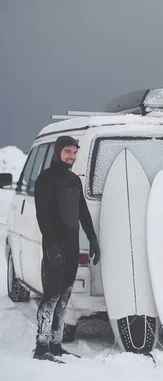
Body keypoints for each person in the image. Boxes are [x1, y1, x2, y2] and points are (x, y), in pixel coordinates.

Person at [32, 135, 101, 362]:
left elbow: (82, 212)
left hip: (72, 247)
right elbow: (42, 217)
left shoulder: (74, 180)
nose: (71, 157)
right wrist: (51, 247)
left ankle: (56, 343)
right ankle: (42, 347)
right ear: (58, 152)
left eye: (74, 152)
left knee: (64, 298)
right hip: (55, 248)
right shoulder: (46, 179)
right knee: (51, 297)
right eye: (67, 152)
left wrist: (92, 238)